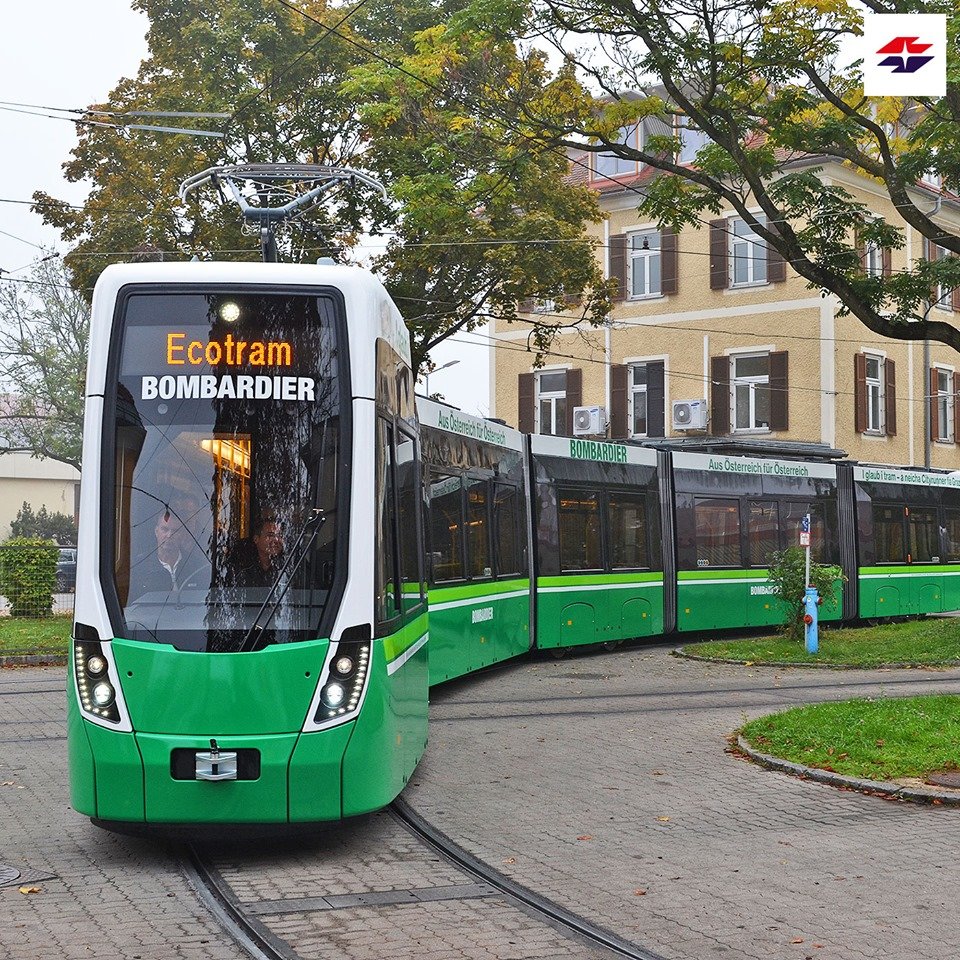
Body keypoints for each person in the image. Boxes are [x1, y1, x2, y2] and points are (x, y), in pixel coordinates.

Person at [231, 518, 284, 589]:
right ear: (256, 539)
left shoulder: (287, 565)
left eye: (279, 535)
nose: (276, 540)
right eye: (270, 536)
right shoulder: (241, 566)